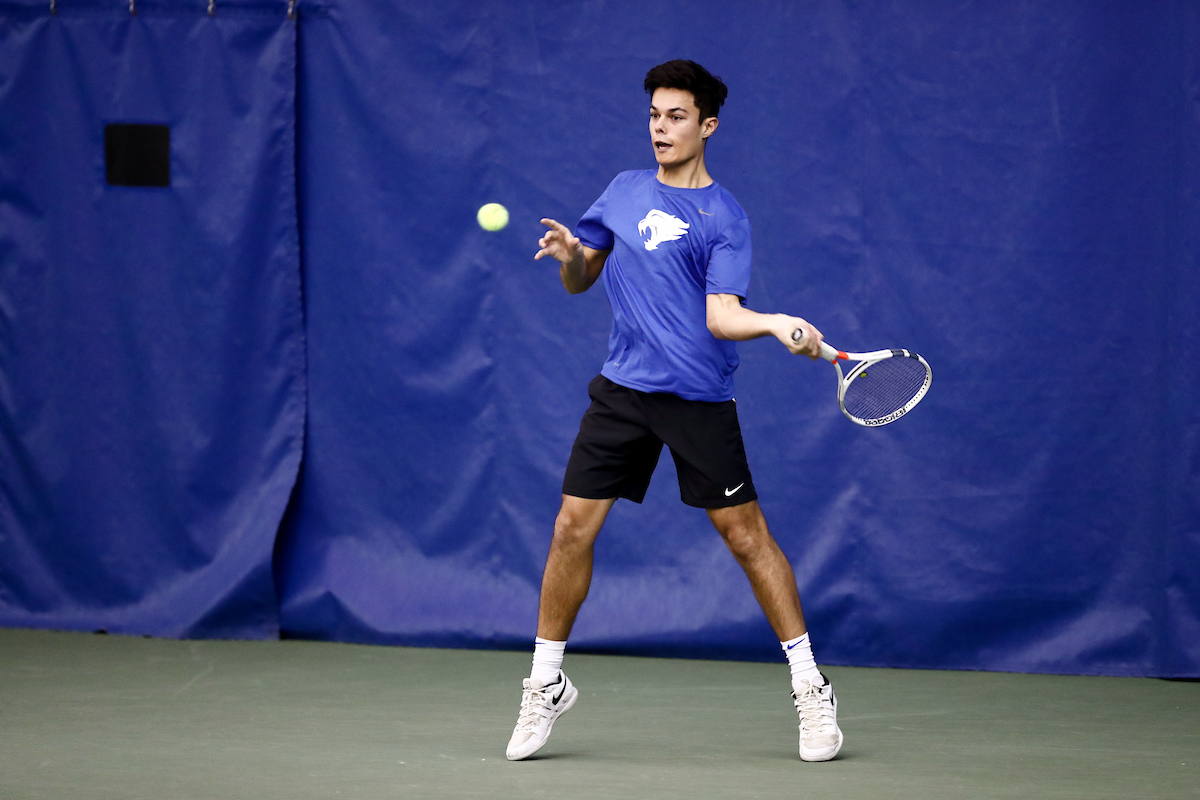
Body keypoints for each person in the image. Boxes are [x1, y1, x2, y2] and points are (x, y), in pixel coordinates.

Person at [506, 59, 843, 764]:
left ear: (707, 126)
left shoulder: (725, 217)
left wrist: (777, 322)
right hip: (623, 392)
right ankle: (544, 682)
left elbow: (722, 318)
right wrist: (572, 253)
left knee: (748, 539)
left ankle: (812, 688)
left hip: (696, 399)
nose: (661, 128)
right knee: (572, 526)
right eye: (655, 115)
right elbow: (579, 282)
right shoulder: (623, 192)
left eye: (677, 116)